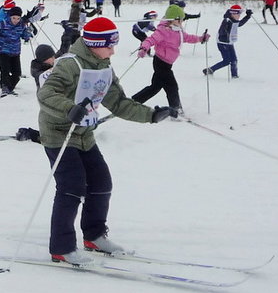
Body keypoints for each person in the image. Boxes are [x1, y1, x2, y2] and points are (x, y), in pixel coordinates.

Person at [37, 16, 177, 264]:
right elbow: (46, 94)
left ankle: (94, 236)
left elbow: (119, 103)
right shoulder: (69, 65)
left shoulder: (104, 67)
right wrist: (69, 108)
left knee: (101, 182)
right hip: (59, 132)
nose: (113, 50)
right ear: (92, 43)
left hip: (84, 134)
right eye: (109, 44)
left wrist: (152, 116)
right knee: (72, 187)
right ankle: (61, 247)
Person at [131, 4, 208, 113]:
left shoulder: (178, 30)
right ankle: (175, 109)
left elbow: (187, 38)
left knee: (155, 87)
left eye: (182, 20)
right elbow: (150, 40)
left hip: (167, 63)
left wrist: (200, 38)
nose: (182, 22)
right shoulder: (163, 31)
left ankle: (133, 102)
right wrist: (144, 48)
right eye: (180, 20)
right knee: (172, 86)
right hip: (161, 63)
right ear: (172, 19)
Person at [203, 4, 253, 79]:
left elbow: (240, 24)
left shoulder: (234, 20)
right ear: (233, 13)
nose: (239, 15)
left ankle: (234, 75)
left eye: (240, 14)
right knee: (227, 61)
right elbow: (222, 31)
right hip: (222, 43)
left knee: (234, 60)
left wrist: (248, 16)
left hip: (229, 43)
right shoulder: (227, 20)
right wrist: (225, 34)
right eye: (238, 14)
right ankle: (210, 70)